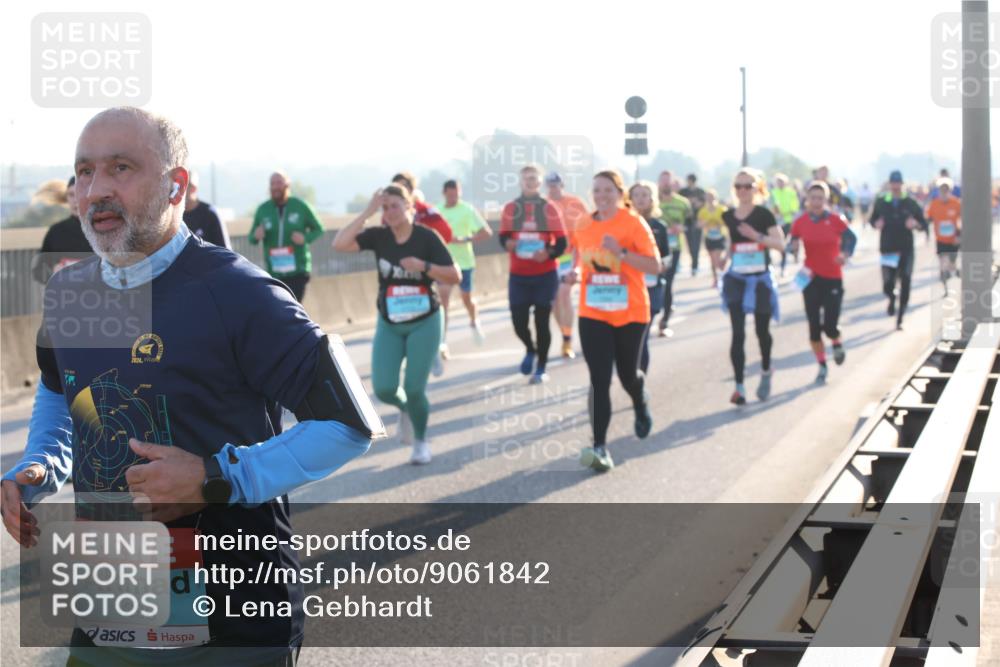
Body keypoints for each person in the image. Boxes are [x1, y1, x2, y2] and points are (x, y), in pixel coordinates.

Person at [1, 107, 377, 667]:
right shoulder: (70, 292)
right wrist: (38, 467)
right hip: (110, 604)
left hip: (236, 622)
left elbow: (350, 425)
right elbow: (63, 391)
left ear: (176, 185)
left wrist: (216, 478)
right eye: (84, 172)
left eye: (121, 168)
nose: (96, 189)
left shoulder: (239, 292)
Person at [333, 185, 460, 465]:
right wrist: (367, 210)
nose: (389, 212)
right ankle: (406, 409)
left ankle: (421, 441)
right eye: (385, 207)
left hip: (425, 321)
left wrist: (424, 266)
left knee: (415, 388)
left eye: (395, 206)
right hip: (390, 322)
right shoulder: (380, 237)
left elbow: (454, 276)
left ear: (410, 207)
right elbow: (339, 244)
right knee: (384, 389)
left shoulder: (427, 237)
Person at [565, 170, 660, 472]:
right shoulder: (583, 224)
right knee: (599, 379)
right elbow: (580, 260)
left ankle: (639, 398)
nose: (602, 196)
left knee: (627, 375)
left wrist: (620, 252)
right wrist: (575, 274)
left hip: (630, 311)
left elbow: (655, 267)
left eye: (608, 190)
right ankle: (600, 447)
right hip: (593, 311)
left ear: (620, 194)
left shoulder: (633, 223)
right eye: (597, 190)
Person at [720, 168, 785, 405]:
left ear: (758, 189)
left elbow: (780, 244)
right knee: (737, 334)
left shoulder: (764, 215)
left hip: (759, 281)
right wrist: (724, 258)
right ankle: (739, 387)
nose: (743, 191)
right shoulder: (727, 216)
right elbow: (732, 244)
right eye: (738, 186)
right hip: (736, 279)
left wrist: (756, 236)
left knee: (761, 332)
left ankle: (766, 370)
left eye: (748, 186)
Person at [499, 164, 567, 384]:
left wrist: (547, 253)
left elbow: (562, 242)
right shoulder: (511, 208)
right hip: (518, 275)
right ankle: (531, 348)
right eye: (526, 178)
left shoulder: (549, 208)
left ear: (539, 182)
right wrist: (508, 243)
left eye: (534, 178)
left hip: (544, 274)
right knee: (518, 322)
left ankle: (542, 368)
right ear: (520, 181)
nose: (530, 182)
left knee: (541, 321)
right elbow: (503, 237)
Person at [788, 181, 857, 384]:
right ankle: (822, 366)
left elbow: (851, 239)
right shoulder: (800, 222)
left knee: (829, 326)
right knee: (813, 327)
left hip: (833, 278)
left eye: (820, 198)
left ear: (826, 200)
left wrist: (844, 254)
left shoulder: (836, 220)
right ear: (807, 200)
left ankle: (836, 340)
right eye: (813, 198)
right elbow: (793, 239)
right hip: (810, 279)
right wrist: (792, 246)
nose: (816, 202)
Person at [390, 171, 453, 376]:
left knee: (437, 302)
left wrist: (429, 246)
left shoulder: (426, 211)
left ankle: (437, 344)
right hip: (403, 270)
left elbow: (446, 232)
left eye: (404, 187)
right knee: (404, 309)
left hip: (428, 267)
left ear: (411, 189)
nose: (400, 191)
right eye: (396, 186)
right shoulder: (390, 213)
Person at [248, 171, 325, 302]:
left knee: (294, 306)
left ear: (287, 185)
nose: (275, 187)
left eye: (279, 183)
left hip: (298, 270)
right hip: (274, 272)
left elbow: (319, 229)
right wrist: (256, 236)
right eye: (272, 184)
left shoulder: (300, 206)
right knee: (278, 309)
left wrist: (305, 238)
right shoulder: (263, 209)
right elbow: (251, 238)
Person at [869, 170, 927, 330]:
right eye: (893, 183)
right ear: (889, 184)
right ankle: (891, 297)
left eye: (898, 183)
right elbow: (872, 220)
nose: (895, 186)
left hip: (906, 249)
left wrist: (915, 224)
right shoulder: (881, 202)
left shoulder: (910, 202)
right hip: (888, 249)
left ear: (902, 184)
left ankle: (900, 317)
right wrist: (876, 224)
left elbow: (924, 224)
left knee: (906, 281)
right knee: (888, 284)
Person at [437, 179, 492, 348]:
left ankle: (474, 321)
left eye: (457, 194)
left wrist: (465, 239)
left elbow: (486, 233)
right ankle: (441, 341)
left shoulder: (467, 210)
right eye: (451, 194)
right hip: (444, 263)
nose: (454, 197)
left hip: (465, 262)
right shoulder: (436, 212)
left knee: (466, 298)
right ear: (444, 193)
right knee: (443, 301)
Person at [628, 181, 672, 375]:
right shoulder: (623, 224)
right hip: (627, 288)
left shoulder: (659, 226)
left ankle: (640, 378)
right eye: (636, 195)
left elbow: (667, 256)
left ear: (652, 199)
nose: (640, 199)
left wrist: (660, 265)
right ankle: (629, 371)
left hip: (651, 287)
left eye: (644, 195)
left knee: (641, 336)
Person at [546, 171, 590, 359]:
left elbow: (589, 227)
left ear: (562, 185)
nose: (554, 188)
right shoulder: (543, 205)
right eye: (550, 185)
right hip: (553, 257)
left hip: (572, 254)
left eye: (557, 184)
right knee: (554, 302)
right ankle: (565, 335)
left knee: (564, 293)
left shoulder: (575, 202)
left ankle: (568, 338)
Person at [31, 175, 93, 284]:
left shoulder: (107, 228)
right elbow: (38, 270)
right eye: (71, 195)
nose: (75, 200)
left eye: (80, 193)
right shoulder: (56, 232)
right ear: (66, 198)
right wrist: (53, 274)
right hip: (66, 296)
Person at [657, 170, 692, 334]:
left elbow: (692, 224)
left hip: (674, 248)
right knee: (655, 283)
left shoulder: (683, 203)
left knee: (667, 282)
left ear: (673, 183)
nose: (665, 184)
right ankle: (657, 311)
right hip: (654, 249)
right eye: (662, 181)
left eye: (668, 181)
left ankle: (665, 320)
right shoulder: (653, 203)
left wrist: (682, 228)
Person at [926, 177, 962, 294]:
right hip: (940, 240)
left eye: (946, 189)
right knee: (943, 264)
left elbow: (962, 220)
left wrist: (959, 235)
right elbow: (928, 218)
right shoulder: (934, 204)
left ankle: (955, 273)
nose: (944, 191)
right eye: (942, 189)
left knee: (951, 264)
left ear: (949, 190)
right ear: (939, 190)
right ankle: (946, 289)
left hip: (953, 240)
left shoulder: (956, 203)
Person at [182, 170, 230, 248]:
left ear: (193, 188)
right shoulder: (175, 216)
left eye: (184, 185)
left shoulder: (210, 213)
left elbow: (225, 250)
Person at [770, 173, 801, 275]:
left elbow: (795, 207)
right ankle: (785, 259)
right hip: (776, 223)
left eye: (782, 181)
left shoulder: (791, 192)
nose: (780, 183)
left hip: (788, 221)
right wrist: (775, 212)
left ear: (786, 182)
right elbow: (771, 206)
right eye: (778, 182)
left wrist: (787, 212)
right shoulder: (773, 193)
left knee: (784, 243)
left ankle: (784, 267)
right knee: (781, 244)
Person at [697, 188, 728, 287]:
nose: (710, 199)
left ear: (715, 198)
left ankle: (723, 277)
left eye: (712, 197)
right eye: (708, 197)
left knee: (718, 258)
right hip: (709, 237)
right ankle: (715, 278)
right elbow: (699, 225)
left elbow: (727, 222)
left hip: (719, 236)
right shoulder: (702, 211)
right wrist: (707, 222)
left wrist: (719, 224)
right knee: (712, 259)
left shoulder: (721, 209)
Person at [678, 173, 705, 276]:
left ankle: (695, 265)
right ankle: (693, 263)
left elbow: (705, 204)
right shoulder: (683, 192)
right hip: (687, 221)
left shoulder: (700, 191)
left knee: (697, 244)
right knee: (690, 244)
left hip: (698, 221)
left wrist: (698, 203)